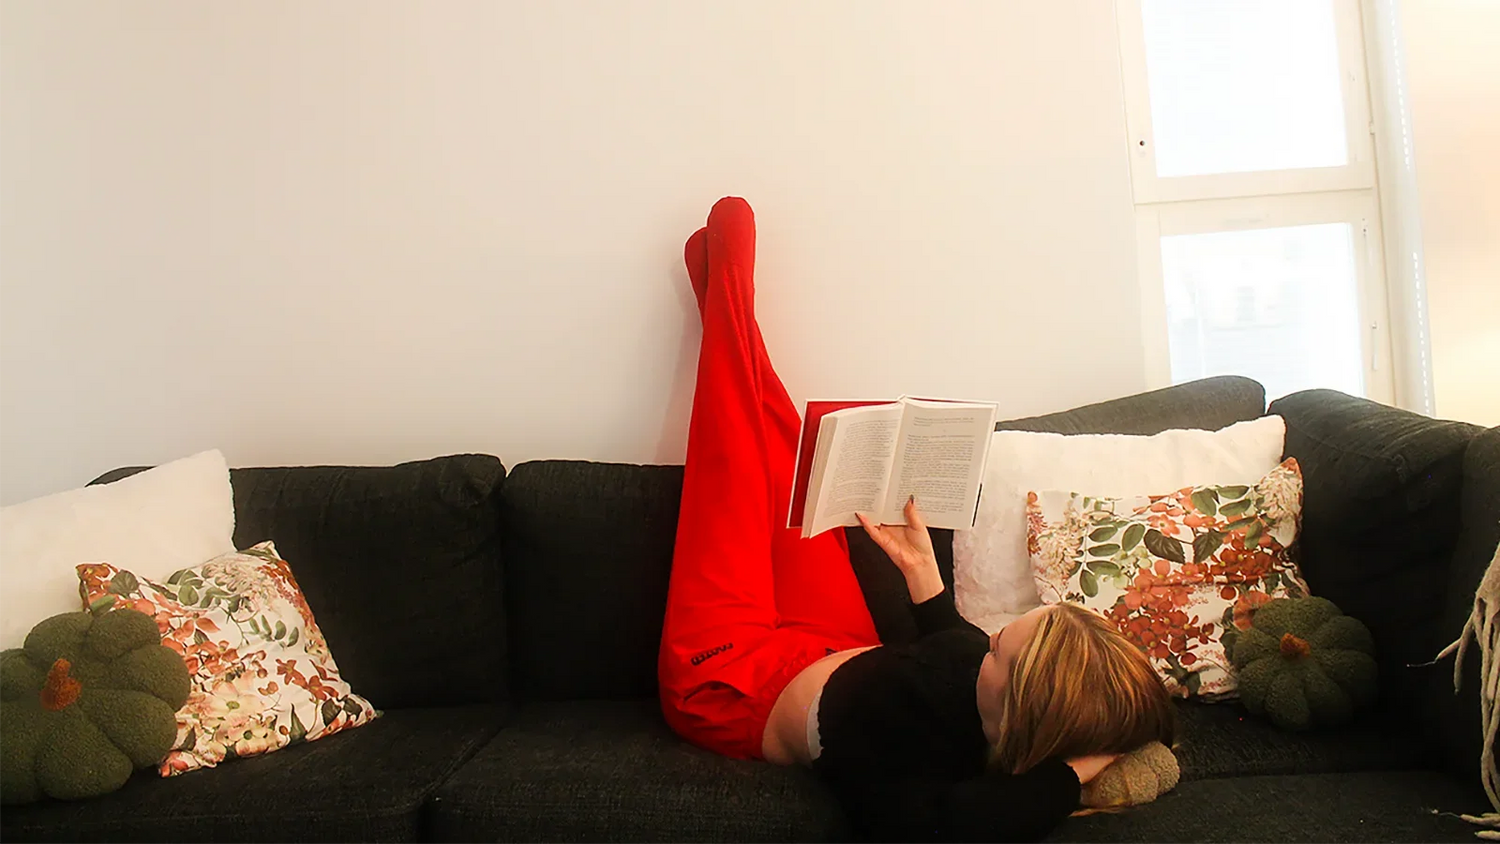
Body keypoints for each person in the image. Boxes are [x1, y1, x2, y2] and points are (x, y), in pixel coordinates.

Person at [658, 197, 1175, 843]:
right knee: (792, 466)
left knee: (732, 468)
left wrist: (1074, 775)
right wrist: (924, 578)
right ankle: (727, 304)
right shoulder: (985, 687)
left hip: (732, 681)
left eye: (998, 651)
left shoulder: (902, 753)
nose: (982, 641)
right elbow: (955, 646)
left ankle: (729, 294)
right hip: (833, 640)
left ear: (1013, 713)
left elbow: (935, 829)